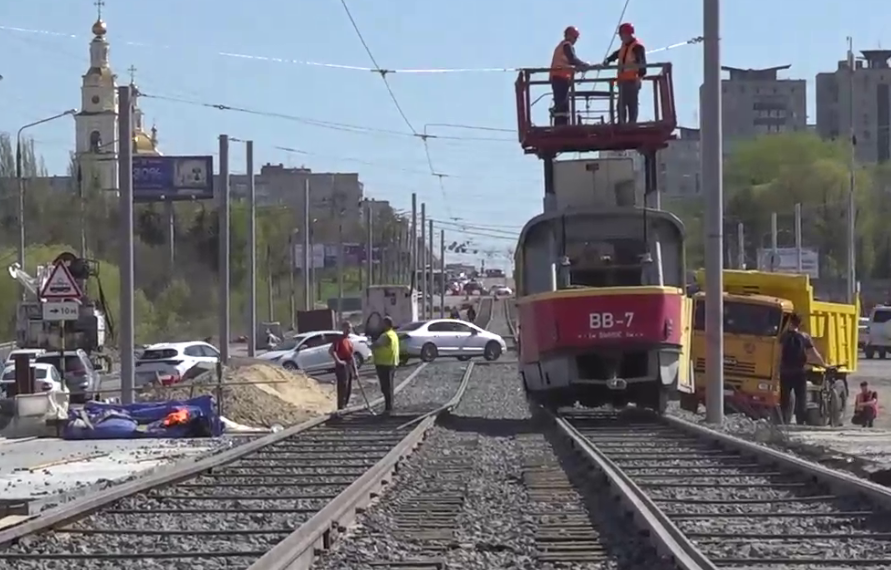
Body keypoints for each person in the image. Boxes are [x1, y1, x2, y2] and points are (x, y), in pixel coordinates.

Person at [779, 313, 827, 424]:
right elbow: (814, 353)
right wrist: (823, 364)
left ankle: (783, 422)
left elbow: (778, 354)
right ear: (799, 324)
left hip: (785, 372)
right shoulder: (804, 337)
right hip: (799, 372)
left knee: (785, 399)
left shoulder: (783, 336)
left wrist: (777, 369)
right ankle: (800, 422)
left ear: (790, 322)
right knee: (801, 398)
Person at [603, 23, 646, 124]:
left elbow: (642, 64)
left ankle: (631, 124)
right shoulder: (626, 46)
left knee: (630, 105)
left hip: (632, 80)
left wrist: (639, 78)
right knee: (622, 105)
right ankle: (623, 123)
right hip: (623, 81)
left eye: (622, 35)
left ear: (627, 34)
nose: (621, 37)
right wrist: (608, 60)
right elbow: (617, 54)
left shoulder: (637, 47)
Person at [550, 26, 591, 126]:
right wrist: (583, 65)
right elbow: (572, 59)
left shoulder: (561, 46)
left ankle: (561, 124)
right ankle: (561, 126)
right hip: (560, 77)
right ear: (569, 36)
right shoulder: (566, 45)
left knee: (562, 103)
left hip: (559, 77)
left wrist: (578, 67)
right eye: (575, 37)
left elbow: (569, 62)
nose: (575, 40)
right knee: (562, 104)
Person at [371, 316, 399, 414]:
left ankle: (388, 408)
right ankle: (390, 406)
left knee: (385, 387)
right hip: (392, 363)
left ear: (386, 324)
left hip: (383, 364)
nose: (381, 325)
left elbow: (375, 346)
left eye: (383, 323)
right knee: (389, 386)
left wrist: (370, 344)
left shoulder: (385, 336)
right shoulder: (393, 334)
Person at [329, 321, 356, 410]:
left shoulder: (349, 341)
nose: (349, 330)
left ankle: (346, 404)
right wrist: (338, 361)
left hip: (349, 364)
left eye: (350, 328)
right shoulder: (339, 340)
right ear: (343, 328)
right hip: (342, 366)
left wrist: (355, 370)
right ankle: (341, 406)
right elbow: (331, 351)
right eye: (347, 328)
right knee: (343, 386)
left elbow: (352, 356)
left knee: (349, 386)